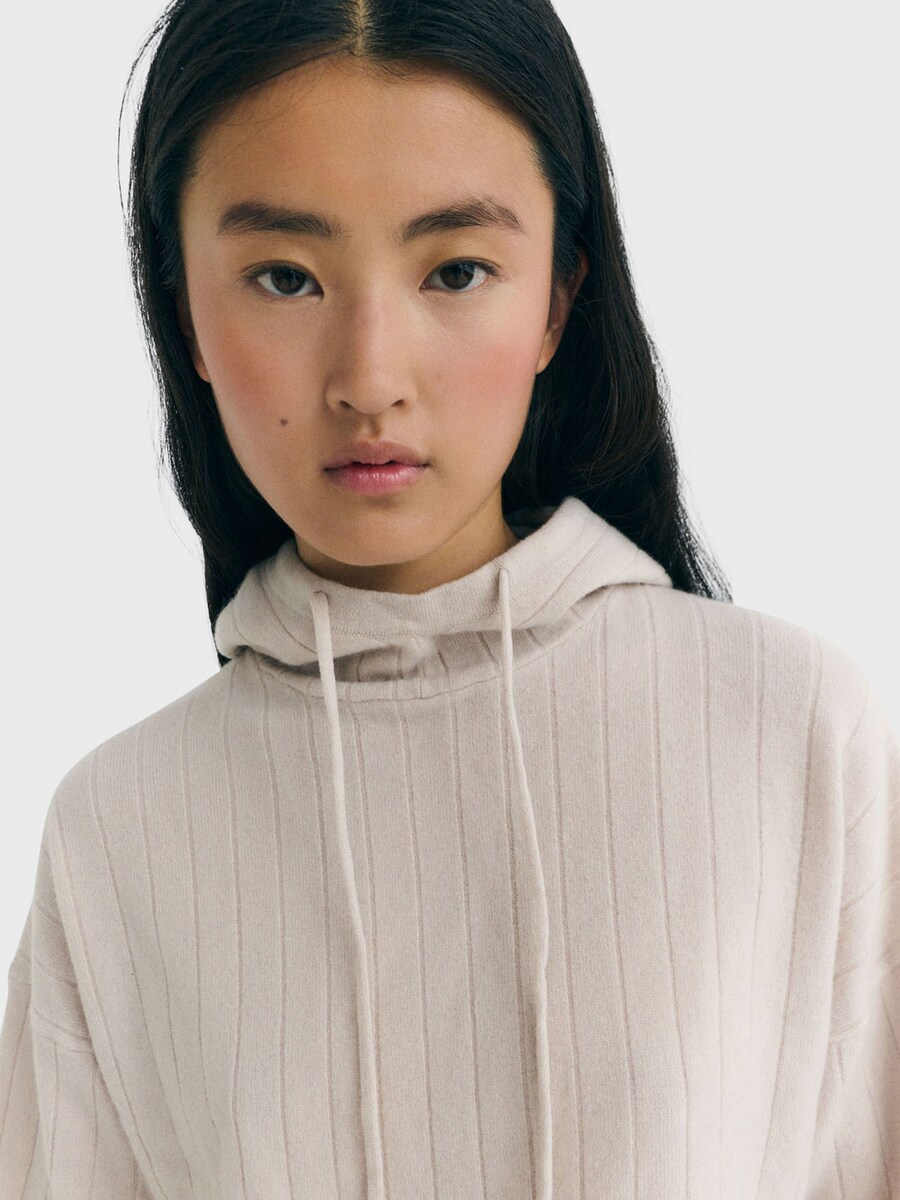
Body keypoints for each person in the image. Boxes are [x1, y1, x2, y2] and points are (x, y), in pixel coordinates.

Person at [1, 0, 897, 1195]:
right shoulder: (119, 831)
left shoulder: (792, 733)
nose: (370, 377)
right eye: (284, 277)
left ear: (559, 298)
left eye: (457, 271)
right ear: (185, 317)